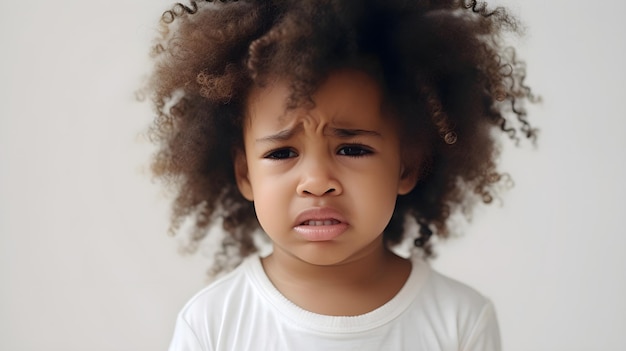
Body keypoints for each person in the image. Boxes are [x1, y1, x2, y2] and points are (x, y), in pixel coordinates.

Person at [144, 0, 536, 350]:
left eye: (352, 149)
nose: (316, 180)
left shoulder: (460, 322)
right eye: (282, 153)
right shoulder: (211, 325)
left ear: (407, 165)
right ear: (245, 174)